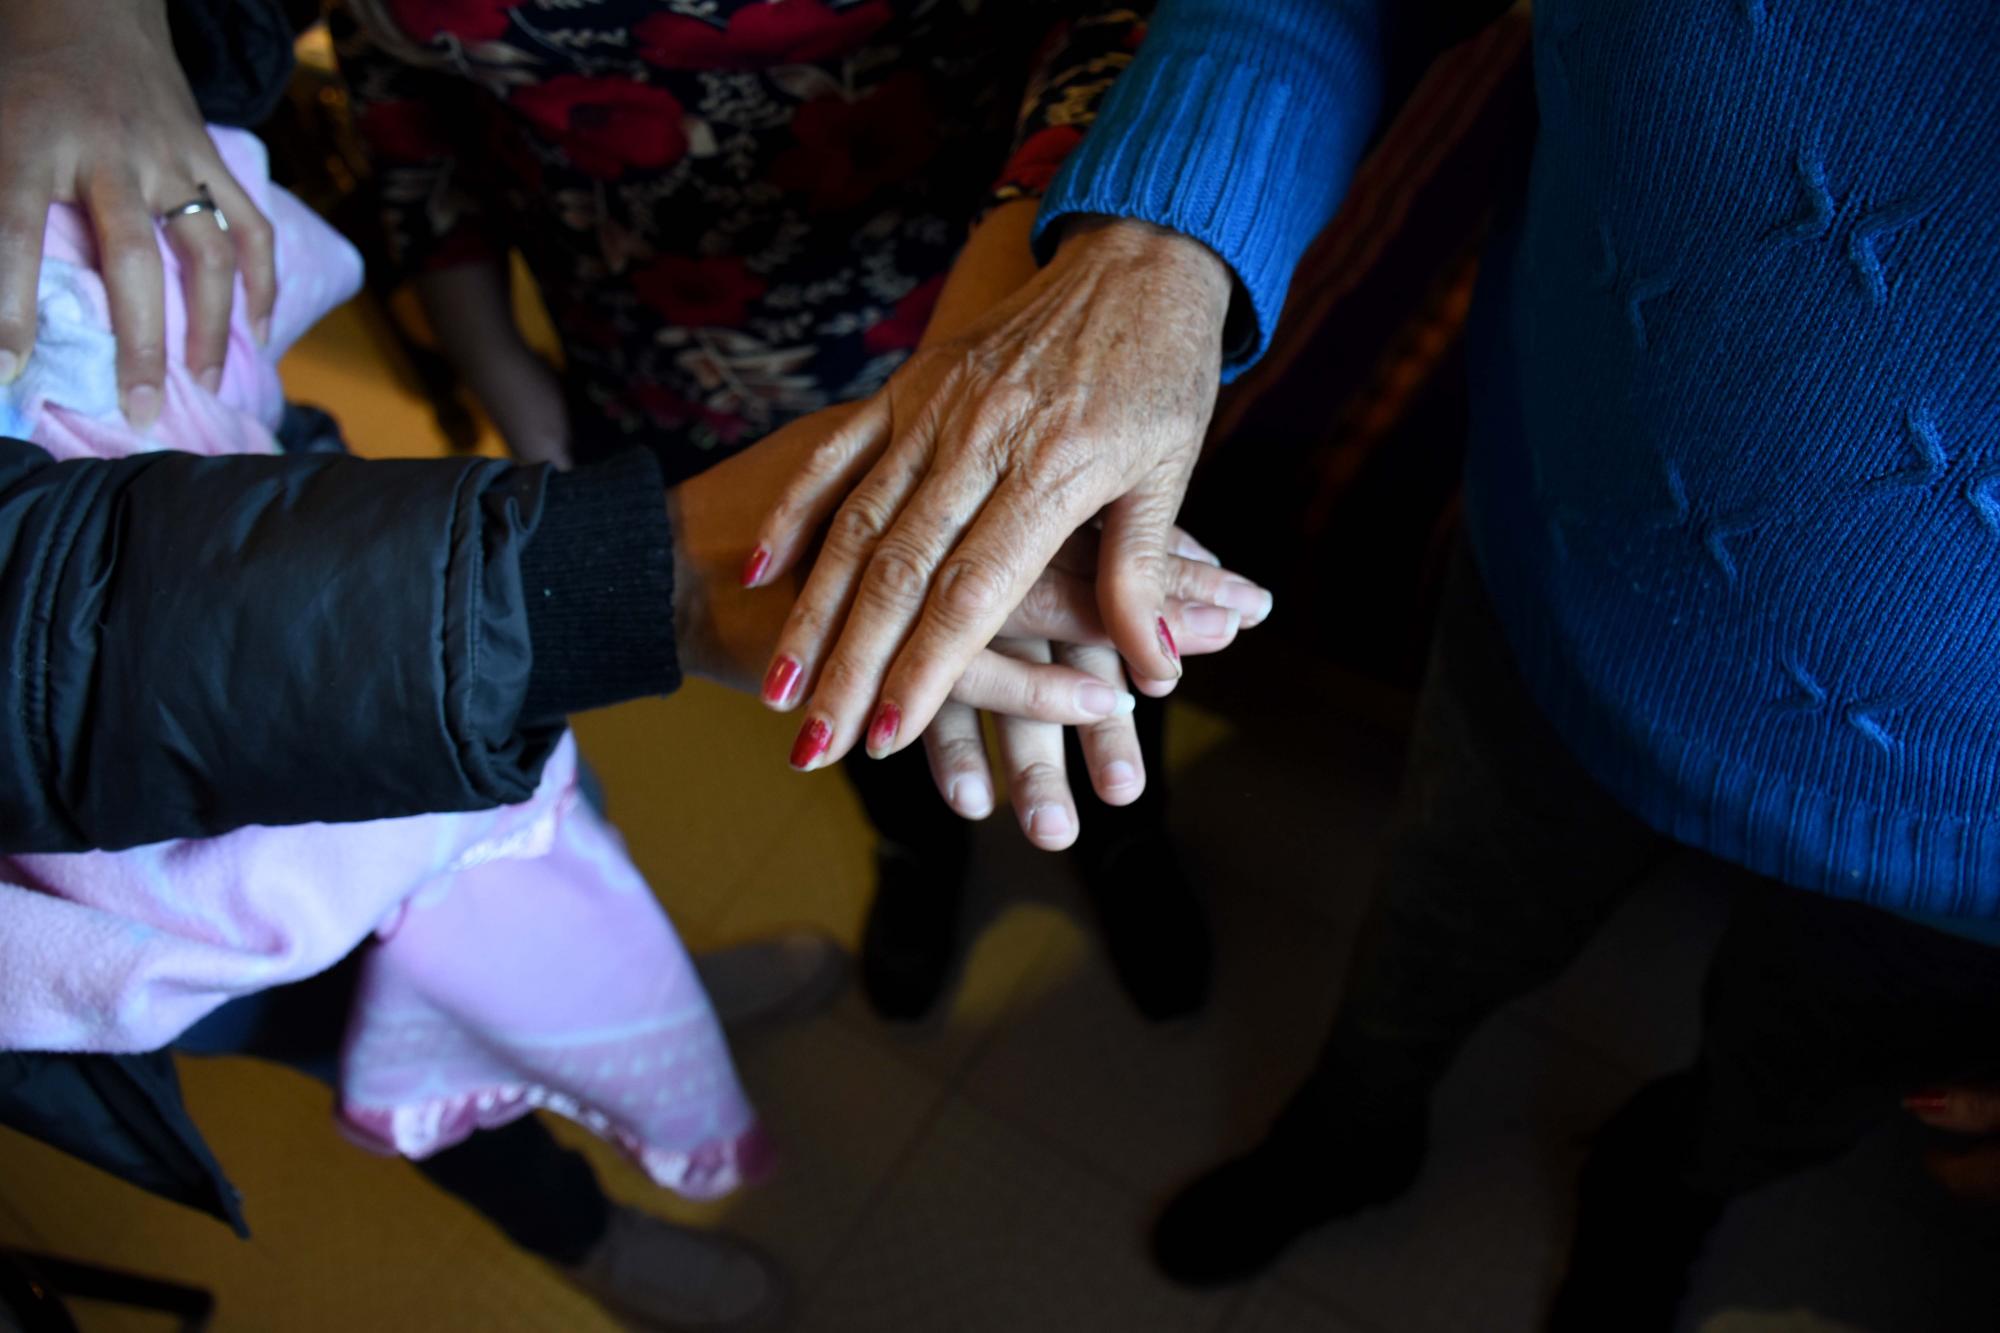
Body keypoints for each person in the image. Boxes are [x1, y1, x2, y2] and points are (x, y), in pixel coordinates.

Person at [753, 0, 1996, 1328]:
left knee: (1792, 1086)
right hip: (1565, 575)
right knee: (1432, 933)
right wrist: (1162, 239)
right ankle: (1350, 1135)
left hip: (1971, 876)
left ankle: (1666, 1187)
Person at [326, 0, 1260, 1020]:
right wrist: (498, 363)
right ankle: (916, 843)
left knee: (1086, 606)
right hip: (657, 350)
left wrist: (1023, 324)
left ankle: (1126, 835)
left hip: (992, 284)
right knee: (824, 647)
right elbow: (400, 101)